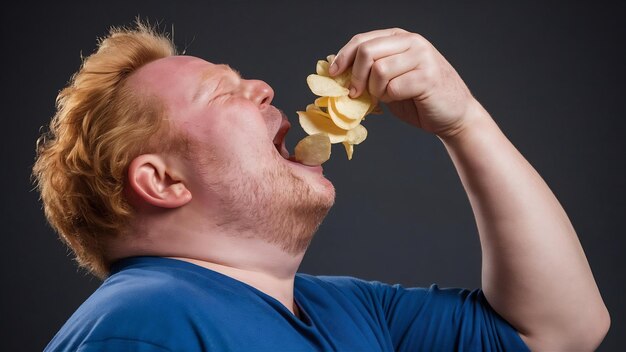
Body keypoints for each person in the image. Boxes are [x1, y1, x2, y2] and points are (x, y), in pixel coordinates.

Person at [34, 20, 609, 351]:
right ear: (163, 181)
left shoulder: (349, 309)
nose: (262, 86)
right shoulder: (146, 323)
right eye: (223, 90)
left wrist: (464, 121)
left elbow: (561, 332)